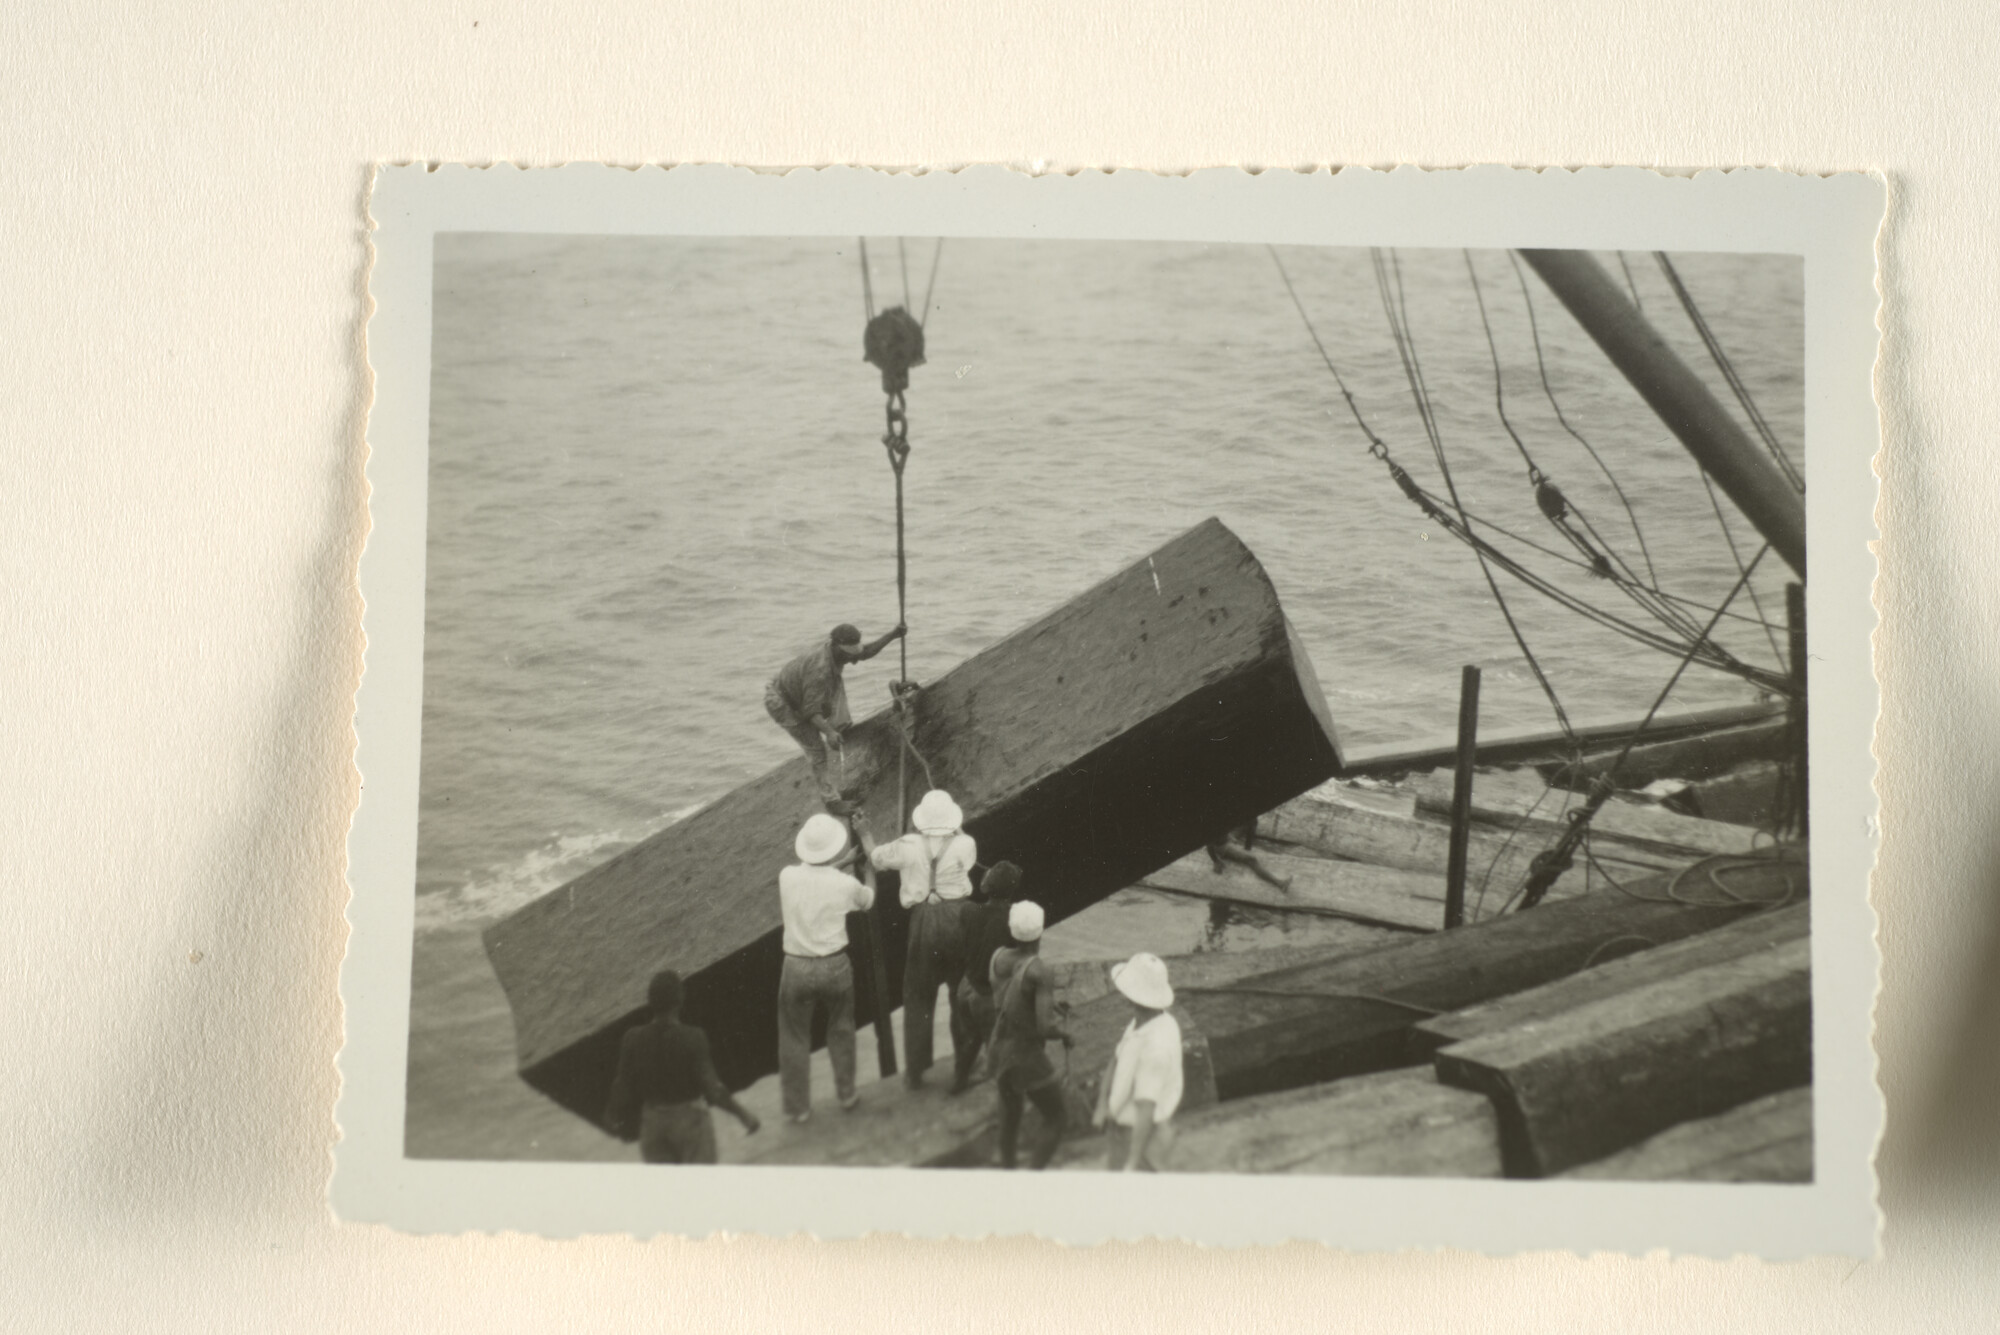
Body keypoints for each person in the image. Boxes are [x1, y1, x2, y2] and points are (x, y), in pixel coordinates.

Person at [776, 812, 876, 1122]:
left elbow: (813, 878)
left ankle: (798, 1109)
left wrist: (842, 862)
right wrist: (867, 869)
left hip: (795, 966)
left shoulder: (787, 876)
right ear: (832, 847)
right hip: (834, 966)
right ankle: (846, 1094)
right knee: (841, 1030)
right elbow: (867, 900)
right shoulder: (845, 885)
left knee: (794, 1037)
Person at [604, 969, 760, 1163]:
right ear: (680, 1000)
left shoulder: (632, 1038)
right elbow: (714, 1090)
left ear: (650, 1001)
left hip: (653, 1122)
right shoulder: (693, 1037)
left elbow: (622, 1084)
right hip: (689, 1121)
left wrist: (612, 1113)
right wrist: (743, 1115)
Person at [764, 621, 906, 810]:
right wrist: (828, 732)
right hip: (782, 703)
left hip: (798, 689)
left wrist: (893, 634)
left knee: (834, 709)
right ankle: (831, 800)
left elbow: (866, 652)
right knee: (817, 749)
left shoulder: (834, 652)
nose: (854, 661)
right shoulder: (820, 671)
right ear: (838, 649)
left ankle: (838, 729)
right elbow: (810, 712)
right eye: (850, 656)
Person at [986, 901, 1072, 1170]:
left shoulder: (997, 957)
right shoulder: (1040, 970)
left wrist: (1046, 1001)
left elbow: (1012, 995)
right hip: (1025, 1056)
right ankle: (1032, 1179)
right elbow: (1045, 1027)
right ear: (1041, 930)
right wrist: (1065, 1035)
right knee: (1056, 1116)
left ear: (1011, 929)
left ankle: (1009, 1174)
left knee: (1009, 1119)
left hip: (998, 1050)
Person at [1093, 951, 1184, 1172]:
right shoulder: (1143, 1021)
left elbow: (1146, 1109)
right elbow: (1117, 1058)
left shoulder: (1156, 1047)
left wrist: (1132, 1162)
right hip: (1123, 1127)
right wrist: (1103, 1103)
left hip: (1142, 1136)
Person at [948, 859, 1024, 1092]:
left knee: (972, 1037)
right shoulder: (1014, 917)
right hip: (988, 993)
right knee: (1000, 1042)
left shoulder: (969, 910)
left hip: (966, 986)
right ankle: (1006, 1091)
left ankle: (959, 1082)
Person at [1205, 819, 1291, 891]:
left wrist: (1229, 836)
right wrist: (1215, 861)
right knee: (1252, 859)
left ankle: (1247, 849)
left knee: (1251, 821)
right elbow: (1209, 845)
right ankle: (1279, 883)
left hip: (1227, 838)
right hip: (1222, 847)